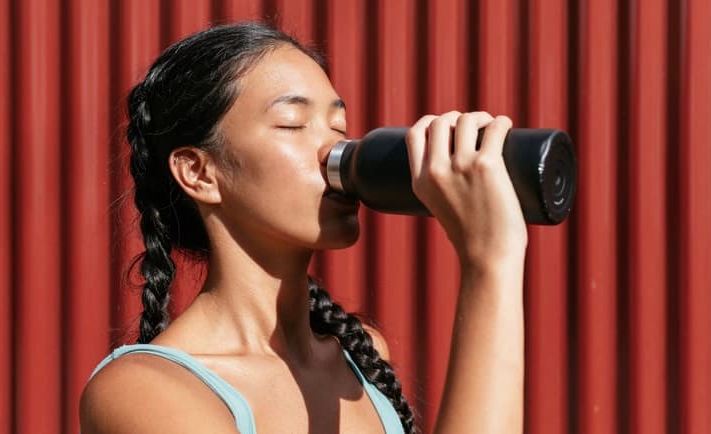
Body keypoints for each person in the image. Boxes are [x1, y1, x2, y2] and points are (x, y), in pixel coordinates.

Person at [80, 23, 526, 434]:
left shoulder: (360, 359)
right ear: (200, 172)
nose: (338, 149)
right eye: (293, 123)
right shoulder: (145, 390)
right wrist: (490, 262)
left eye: (339, 125)